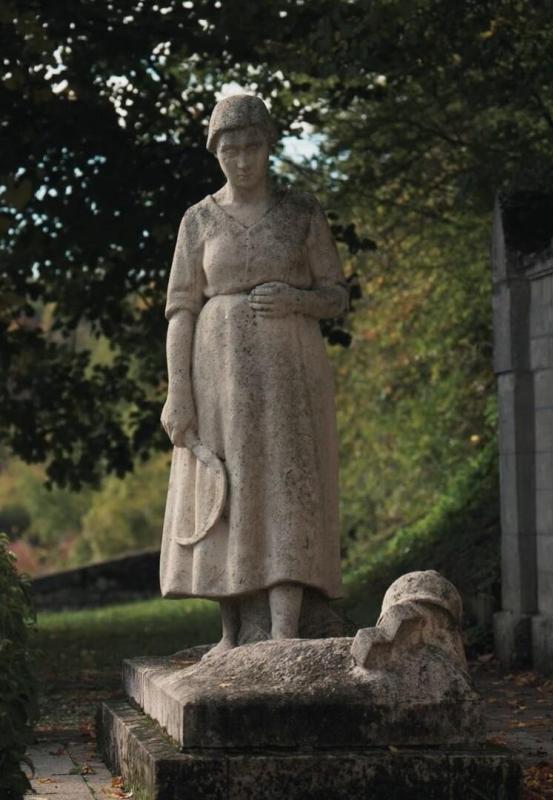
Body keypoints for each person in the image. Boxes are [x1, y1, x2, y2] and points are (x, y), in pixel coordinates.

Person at [159, 94, 347, 653]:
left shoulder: (300, 212)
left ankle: (286, 628)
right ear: (216, 153)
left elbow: (336, 294)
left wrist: (297, 299)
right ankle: (233, 632)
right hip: (216, 374)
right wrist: (178, 391)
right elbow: (180, 310)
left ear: (269, 146)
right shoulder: (198, 220)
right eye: (231, 150)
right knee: (227, 488)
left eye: (252, 147)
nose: (242, 160)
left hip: (290, 369)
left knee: (287, 483)